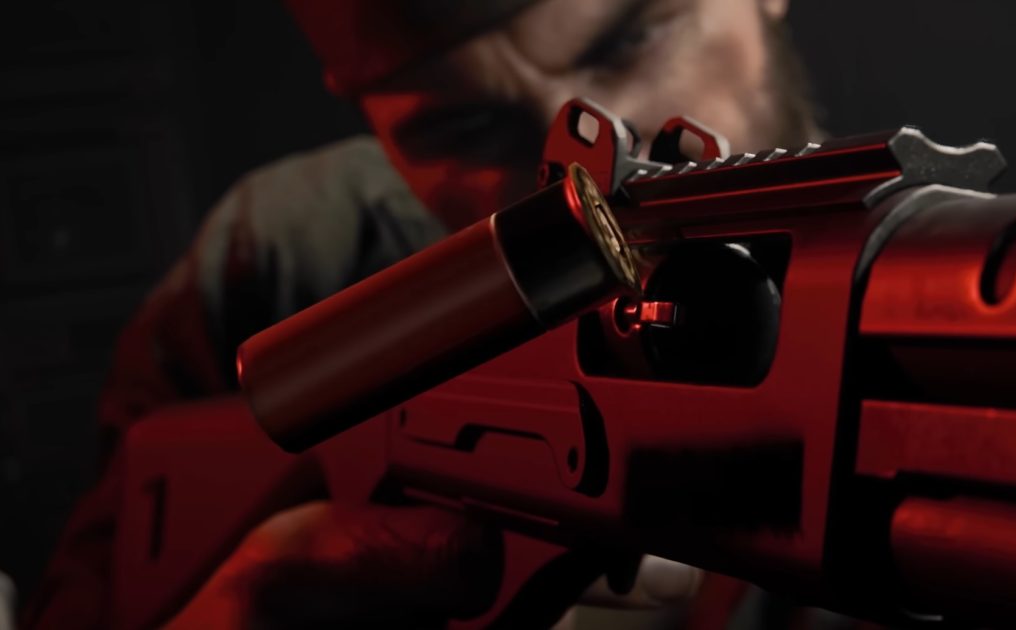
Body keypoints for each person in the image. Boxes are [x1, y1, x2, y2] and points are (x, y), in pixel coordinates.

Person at [23, 0, 822, 627]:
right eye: (465, 125)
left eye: (628, 41)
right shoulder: (289, 256)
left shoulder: (906, 295)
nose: (579, 181)